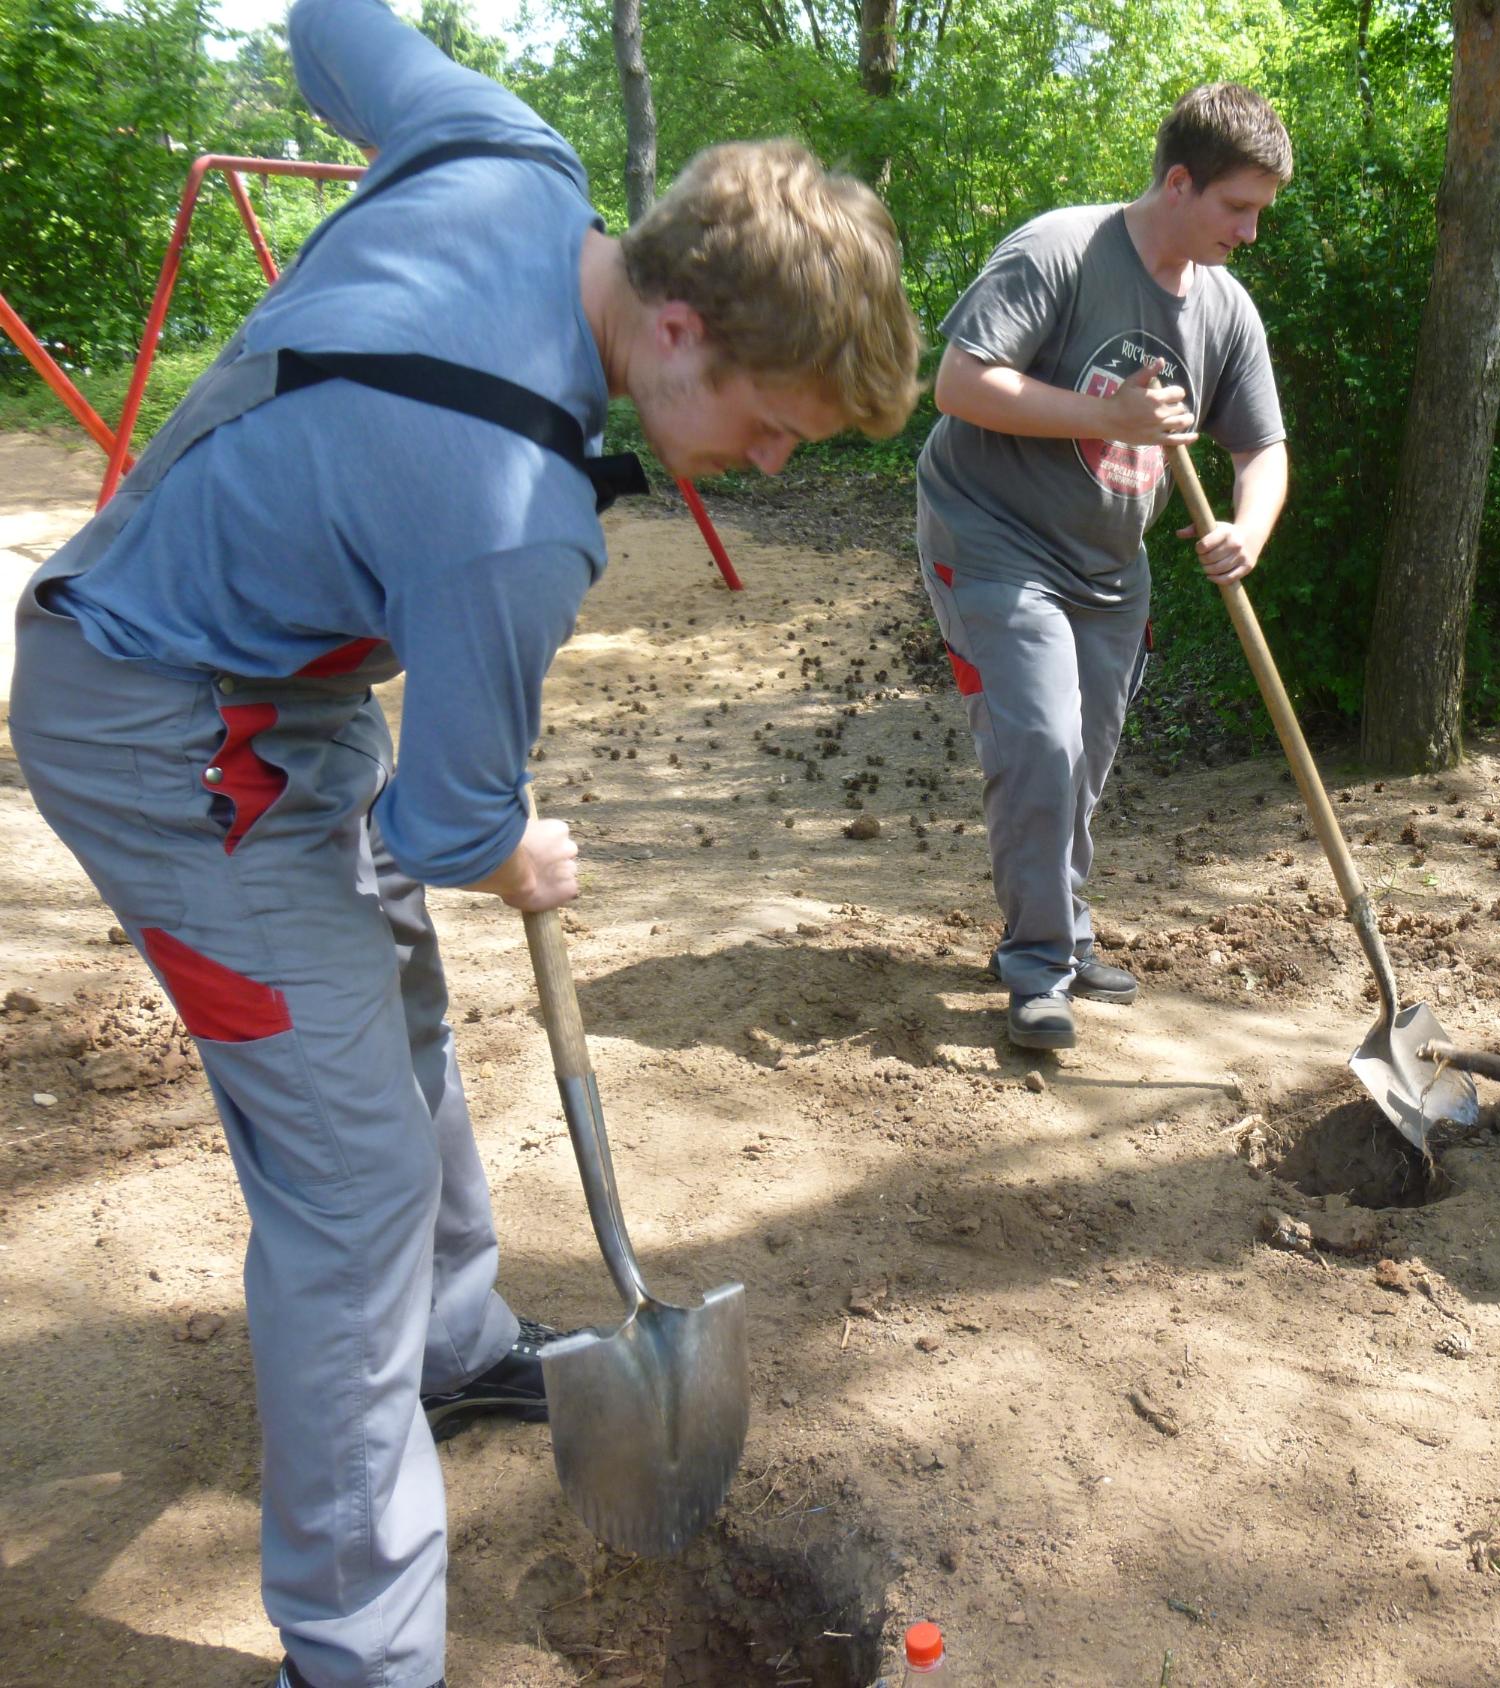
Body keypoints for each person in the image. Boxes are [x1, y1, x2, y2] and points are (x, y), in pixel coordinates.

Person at [6, 3, 920, 1684]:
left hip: (285, 681)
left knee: (400, 1008)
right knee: (346, 1185)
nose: (770, 462)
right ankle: (360, 1647)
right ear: (676, 322)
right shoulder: (516, 516)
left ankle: (454, 1339)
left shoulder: (510, 155)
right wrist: (520, 853)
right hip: (156, 725)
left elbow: (333, 27)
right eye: (772, 420)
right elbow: (450, 827)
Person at [916, 83, 1292, 1050]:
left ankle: (1065, 929)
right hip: (993, 533)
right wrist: (1104, 415)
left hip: (1109, 564)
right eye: (1237, 208)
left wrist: (1250, 527)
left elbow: (1263, 449)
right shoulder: (1062, 252)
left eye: (1259, 212)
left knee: (1081, 762)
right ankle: (1037, 965)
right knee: (1041, 741)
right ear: (1178, 182)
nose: (1250, 233)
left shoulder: (1225, 308)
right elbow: (956, 383)